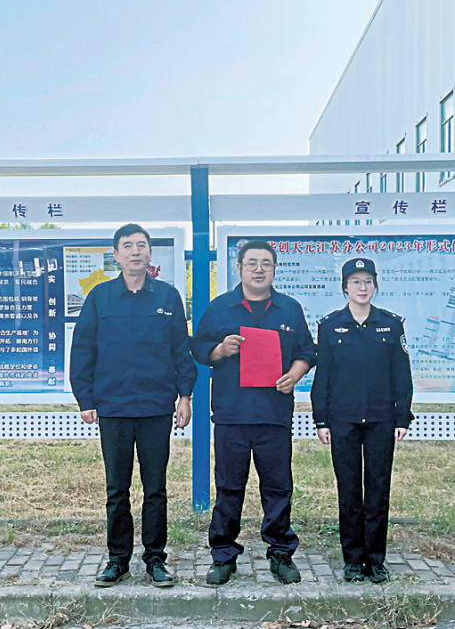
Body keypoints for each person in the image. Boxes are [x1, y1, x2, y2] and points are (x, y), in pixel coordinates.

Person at [70, 224, 197, 588]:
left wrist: (184, 395)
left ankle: (155, 559)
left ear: (150, 253)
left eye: (141, 245)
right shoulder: (100, 297)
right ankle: (118, 560)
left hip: (156, 407)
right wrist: (85, 399)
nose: (135, 251)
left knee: (155, 489)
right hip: (113, 406)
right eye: (127, 246)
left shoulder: (168, 297)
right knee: (117, 490)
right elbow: (83, 349)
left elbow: (181, 349)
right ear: (116, 255)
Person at [191, 240, 316, 585]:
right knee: (229, 487)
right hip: (231, 413)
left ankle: (280, 552)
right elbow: (198, 348)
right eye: (252, 263)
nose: (259, 269)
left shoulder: (289, 308)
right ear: (239, 268)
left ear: (274, 269)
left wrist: (296, 373)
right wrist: (220, 349)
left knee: (278, 486)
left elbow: (307, 349)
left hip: (274, 413)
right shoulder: (221, 307)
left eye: (266, 263)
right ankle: (223, 555)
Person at [311, 257, 414, 584]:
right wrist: (321, 420)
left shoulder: (391, 325)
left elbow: (402, 375)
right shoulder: (330, 325)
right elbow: (323, 376)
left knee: (378, 488)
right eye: (355, 281)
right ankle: (353, 559)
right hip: (343, 420)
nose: (362, 287)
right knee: (349, 488)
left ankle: (376, 559)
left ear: (375, 285)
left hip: (382, 419)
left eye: (368, 281)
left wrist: (402, 416)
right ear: (345, 287)